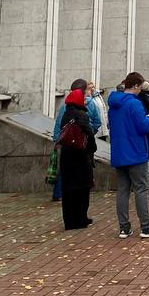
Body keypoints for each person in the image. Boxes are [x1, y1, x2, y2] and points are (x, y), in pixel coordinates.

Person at [108, 72, 149, 238]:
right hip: (135, 151)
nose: (141, 89)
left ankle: (124, 227)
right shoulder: (135, 104)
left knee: (123, 190)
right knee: (140, 188)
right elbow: (143, 127)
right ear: (135, 86)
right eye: (140, 86)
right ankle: (146, 226)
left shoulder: (114, 104)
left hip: (119, 151)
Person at [51, 78, 102, 202]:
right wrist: (89, 136)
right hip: (82, 145)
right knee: (82, 173)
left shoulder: (66, 106)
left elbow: (59, 124)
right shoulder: (90, 105)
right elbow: (97, 122)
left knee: (66, 170)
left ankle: (59, 193)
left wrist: (57, 138)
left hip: (67, 143)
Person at [56, 87, 96, 230]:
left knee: (68, 191)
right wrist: (92, 149)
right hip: (80, 156)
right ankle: (81, 219)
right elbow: (89, 133)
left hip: (67, 156)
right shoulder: (81, 114)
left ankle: (69, 221)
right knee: (82, 189)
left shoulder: (66, 114)